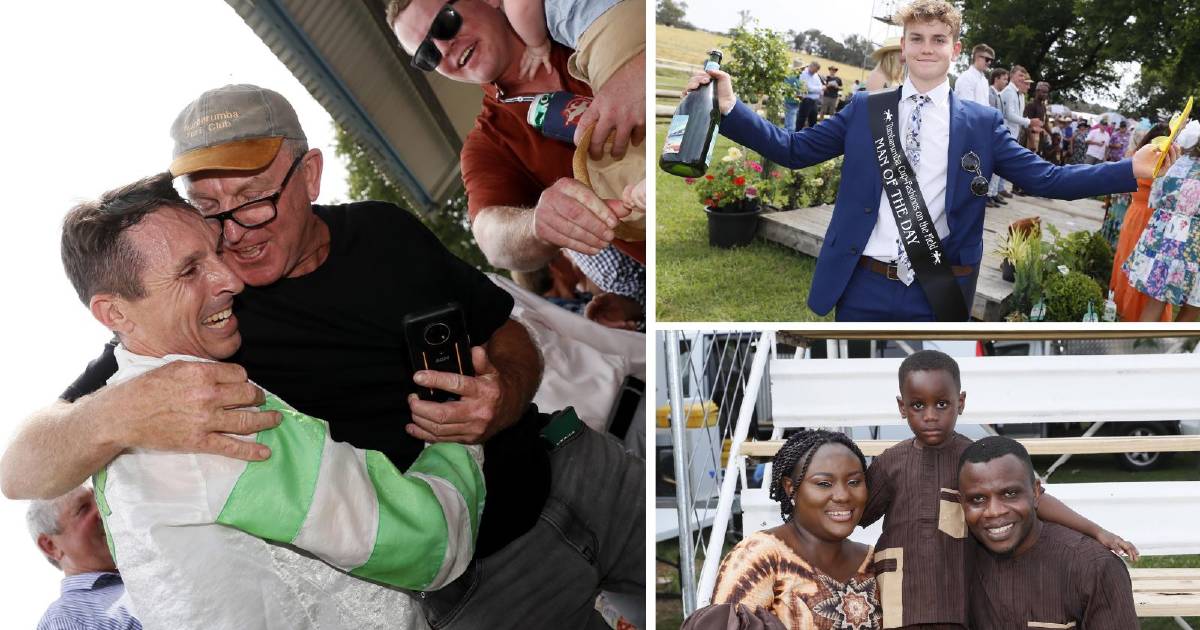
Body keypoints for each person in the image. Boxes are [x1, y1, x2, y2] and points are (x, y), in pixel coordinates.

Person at [2, 84, 644, 629]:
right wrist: (117, 414)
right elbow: (18, 468)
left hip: (583, 472)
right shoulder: (202, 322)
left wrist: (501, 393)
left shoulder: (385, 231)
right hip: (485, 592)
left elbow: (508, 332)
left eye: (253, 199)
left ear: (308, 175)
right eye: (208, 210)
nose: (234, 236)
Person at [58, 174, 486, 629]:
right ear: (116, 313)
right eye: (189, 270)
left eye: (215, 251)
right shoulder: (211, 416)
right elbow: (430, 543)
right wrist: (460, 428)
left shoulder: (114, 424)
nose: (230, 280)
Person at [682, 0, 1179, 321]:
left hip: (936, 288)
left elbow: (1046, 176)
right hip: (862, 284)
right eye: (916, 39)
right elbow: (793, 151)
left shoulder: (981, 125)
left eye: (938, 39)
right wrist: (729, 108)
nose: (926, 48)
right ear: (904, 45)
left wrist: (1127, 169)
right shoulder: (863, 111)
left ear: (955, 49)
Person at [387, 0, 647, 315]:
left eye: (445, 23)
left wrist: (640, 67)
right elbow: (490, 236)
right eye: (427, 55)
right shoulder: (490, 139)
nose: (444, 48)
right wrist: (538, 224)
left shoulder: (568, 12)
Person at [860, 350, 1137, 628]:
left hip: (954, 595)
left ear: (961, 402)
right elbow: (854, 511)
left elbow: (1037, 500)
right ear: (902, 406)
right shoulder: (890, 463)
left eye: (942, 404)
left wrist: (1096, 531)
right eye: (918, 406)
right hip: (901, 591)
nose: (930, 416)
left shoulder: (974, 459)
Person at [682, 430, 881, 630]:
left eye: (854, 482)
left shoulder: (875, 561)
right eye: (823, 484)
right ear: (789, 487)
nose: (842, 495)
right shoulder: (761, 557)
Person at [959, 437, 1139, 629]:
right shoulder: (956, 563)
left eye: (1010, 493)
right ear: (961, 502)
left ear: (1036, 493)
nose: (994, 511)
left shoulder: (1093, 568)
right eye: (978, 499)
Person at [28, 486, 141, 630]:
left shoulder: (145, 570)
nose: (104, 509)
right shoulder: (69, 618)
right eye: (83, 508)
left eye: (100, 499)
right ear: (51, 546)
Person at [1124, 126, 1200, 322]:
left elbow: (1154, 199)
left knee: (1156, 301)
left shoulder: (1175, 164)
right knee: (1193, 307)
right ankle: (1172, 351)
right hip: (1194, 243)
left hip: (1164, 240)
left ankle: (1136, 347)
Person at [1110, 123, 1174, 321]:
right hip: (1150, 219)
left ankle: (1124, 311)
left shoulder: (1139, 156)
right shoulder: (1163, 163)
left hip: (1138, 215)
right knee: (1141, 267)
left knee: (1136, 264)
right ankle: (1130, 314)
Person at [986, 67, 1011, 206]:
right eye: (1004, 79)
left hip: (999, 131)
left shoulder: (999, 95)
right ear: (996, 79)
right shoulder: (990, 93)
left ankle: (993, 193)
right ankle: (987, 194)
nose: (1006, 82)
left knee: (996, 167)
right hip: (992, 132)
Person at [798, 61, 824, 129]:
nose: (815, 72)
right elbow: (807, 88)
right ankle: (797, 135)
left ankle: (811, 137)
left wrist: (817, 88)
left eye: (817, 71)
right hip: (806, 100)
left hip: (815, 101)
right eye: (815, 70)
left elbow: (820, 86)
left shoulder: (816, 75)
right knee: (801, 120)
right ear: (811, 66)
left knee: (813, 121)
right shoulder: (803, 74)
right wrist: (818, 89)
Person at [785, 59, 805, 132]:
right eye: (802, 68)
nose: (803, 70)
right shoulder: (792, 77)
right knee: (790, 124)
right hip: (791, 101)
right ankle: (789, 139)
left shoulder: (795, 76)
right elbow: (789, 89)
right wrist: (800, 95)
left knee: (789, 121)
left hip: (793, 102)